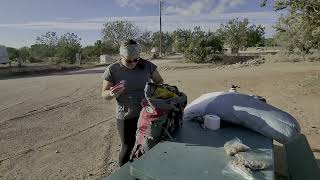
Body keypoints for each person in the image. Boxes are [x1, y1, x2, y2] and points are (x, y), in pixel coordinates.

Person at [101, 39, 164, 166]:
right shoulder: (113, 69)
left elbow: (159, 81)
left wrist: (151, 93)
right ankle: (123, 174)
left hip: (146, 113)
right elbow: (104, 94)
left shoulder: (147, 65)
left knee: (147, 144)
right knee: (127, 146)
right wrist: (112, 93)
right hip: (126, 115)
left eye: (136, 60)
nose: (133, 64)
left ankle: (142, 169)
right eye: (128, 61)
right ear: (121, 56)